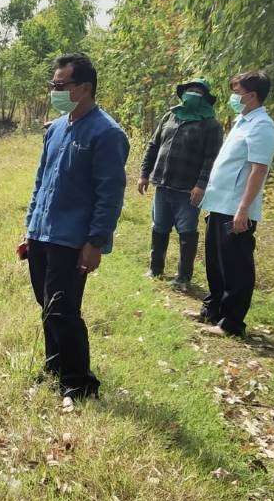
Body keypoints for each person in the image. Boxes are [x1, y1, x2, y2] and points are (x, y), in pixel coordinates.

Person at [19, 53, 130, 400]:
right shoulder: (56, 129)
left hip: (71, 239)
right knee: (47, 304)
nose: (54, 90)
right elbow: (42, 180)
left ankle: (79, 383)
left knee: (64, 309)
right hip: (42, 233)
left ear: (83, 88)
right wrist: (30, 226)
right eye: (54, 84)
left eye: (60, 85)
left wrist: (95, 242)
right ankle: (55, 367)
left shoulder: (106, 133)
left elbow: (109, 194)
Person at [195, 70, 274, 338]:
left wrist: (243, 209)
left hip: (236, 207)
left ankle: (232, 323)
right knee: (216, 262)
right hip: (219, 202)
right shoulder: (241, 121)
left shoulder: (262, 126)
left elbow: (258, 170)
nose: (233, 96)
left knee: (236, 266)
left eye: (237, 92)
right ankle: (213, 310)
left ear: (252, 95)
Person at [136, 77, 222, 287]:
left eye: (198, 91)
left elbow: (212, 158)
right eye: (190, 89)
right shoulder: (171, 115)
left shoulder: (211, 125)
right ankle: (155, 269)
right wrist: (144, 173)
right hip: (163, 183)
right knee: (159, 227)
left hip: (188, 189)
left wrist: (201, 185)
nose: (193, 93)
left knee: (187, 231)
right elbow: (153, 145)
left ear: (205, 98)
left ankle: (183, 277)